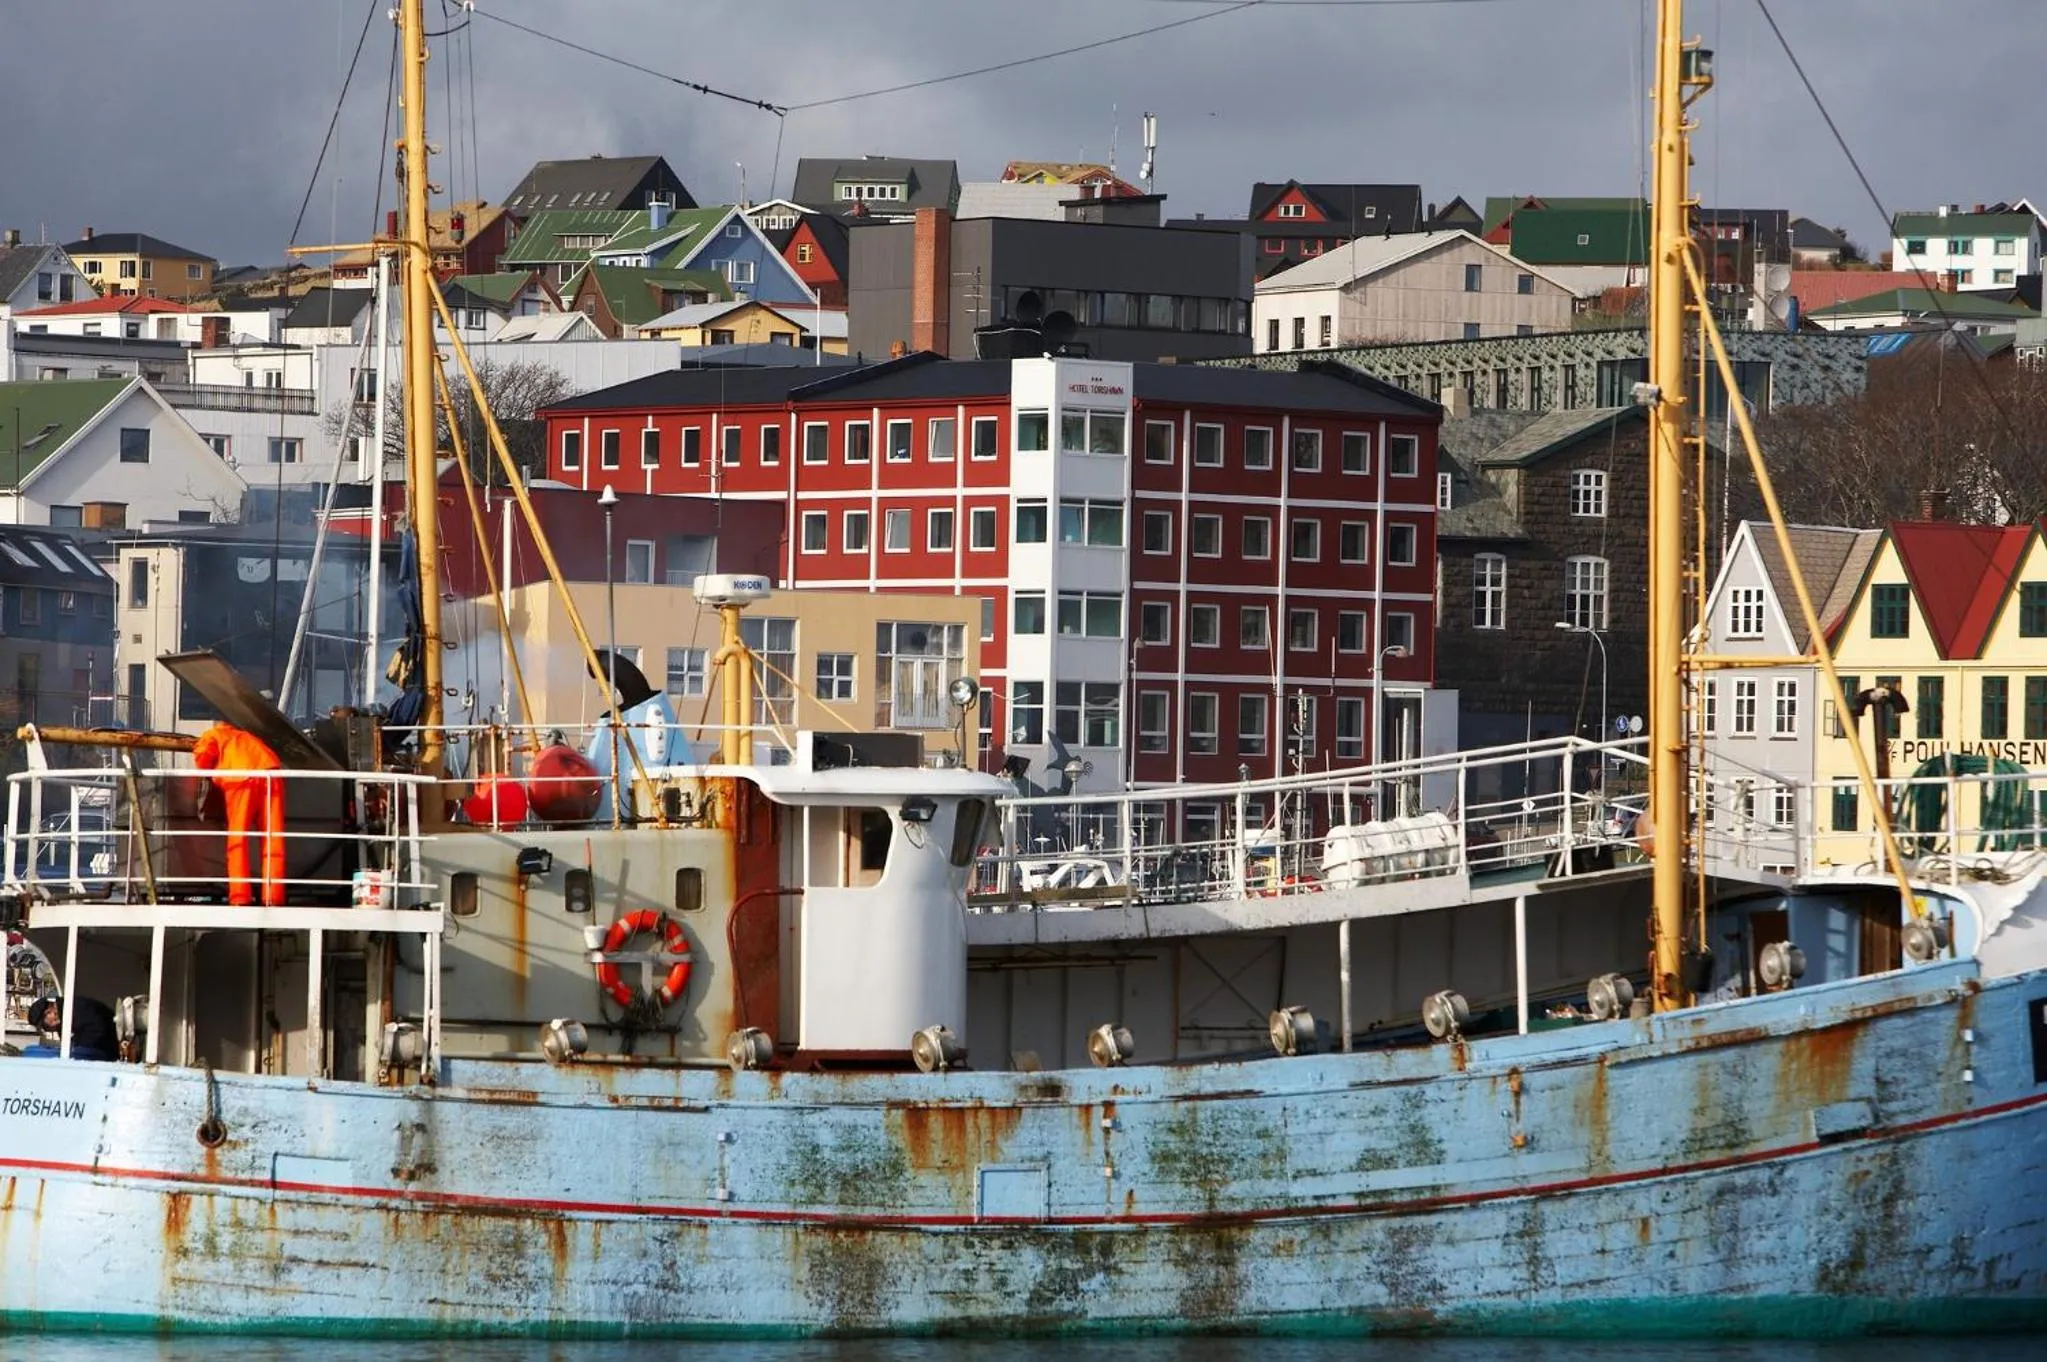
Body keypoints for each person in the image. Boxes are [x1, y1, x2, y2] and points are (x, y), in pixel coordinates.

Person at [192, 721, 286, 906]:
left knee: (238, 839)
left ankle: (240, 896)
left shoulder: (214, 734)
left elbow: (203, 754)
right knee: (273, 838)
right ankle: (273, 896)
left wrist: (208, 771)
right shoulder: (245, 736)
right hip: (271, 775)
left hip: (240, 779)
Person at [30, 994, 119, 1061]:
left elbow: (97, 1029)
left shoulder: (76, 1008)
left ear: (49, 1012)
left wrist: (78, 1051)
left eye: (43, 1026)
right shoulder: (63, 1018)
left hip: (109, 1050)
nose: (45, 1029)